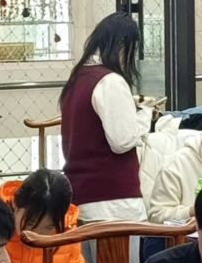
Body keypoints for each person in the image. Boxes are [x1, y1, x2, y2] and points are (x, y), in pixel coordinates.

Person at [60, 12, 150, 225]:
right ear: (122, 46)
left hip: (83, 196)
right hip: (114, 200)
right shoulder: (110, 81)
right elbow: (122, 141)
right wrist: (146, 115)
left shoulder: (78, 78)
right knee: (124, 250)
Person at [0, 170, 89, 263]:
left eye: (49, 228)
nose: (37, 235)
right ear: (15, 204)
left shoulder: (67, 234)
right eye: (30, 224)